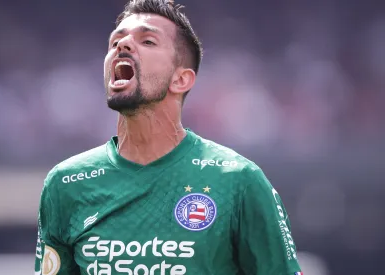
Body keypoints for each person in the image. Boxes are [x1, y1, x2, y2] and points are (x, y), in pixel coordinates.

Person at [34, 0, 303, 274]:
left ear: (181, 80)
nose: (122, 45)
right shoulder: (65, 183)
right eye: (115, 42)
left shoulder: (238, 180)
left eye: (148, 41)